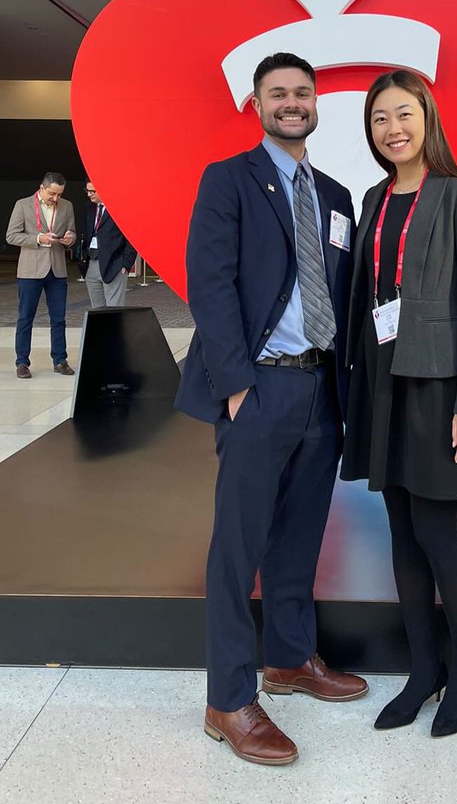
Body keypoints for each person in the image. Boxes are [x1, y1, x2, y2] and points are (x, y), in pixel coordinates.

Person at [173, 51, 367, 767]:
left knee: (300, 536)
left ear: (317, 104)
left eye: (301, 93)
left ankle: (289, 659)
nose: (291, 103)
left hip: (321, 388)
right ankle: (228, 698)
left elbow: (347, 297)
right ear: (257, 105)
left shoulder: (340, 195)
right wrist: (235, 386)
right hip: (259, 385)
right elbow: (210, 281)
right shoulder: (229, 180)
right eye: (277, 94)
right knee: (238, 547)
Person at [341, 69, 457, 738]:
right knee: (401, 537)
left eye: (403, 113)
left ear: (427, 117)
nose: (392, 128)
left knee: (439, 533)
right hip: (383, 380)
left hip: (439, 390)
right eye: (380, 118)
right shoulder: (374, 197)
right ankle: (423, 669)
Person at [5, 171, 76, 379]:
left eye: (60, 194)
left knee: (59, 318)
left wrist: (70, 238)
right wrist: (38, 238)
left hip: (57, 269)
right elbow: (11, 236)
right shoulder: (23, 205)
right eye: (52, 194)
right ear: (42, 188)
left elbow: (71, 231)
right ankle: (22, 362)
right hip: (30, 270)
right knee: (26, 317)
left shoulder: (67, 206)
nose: (56, 198)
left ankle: (60, 359)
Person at [82, 182, 136, 307]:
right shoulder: (89, 208)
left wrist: (126, 264)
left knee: (114, 310)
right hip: (92, 263)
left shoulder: (120, 208)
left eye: (93, 191)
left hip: (114, 264)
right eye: (87, 190)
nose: (89, 194)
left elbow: (131, 237)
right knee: (97, 311)